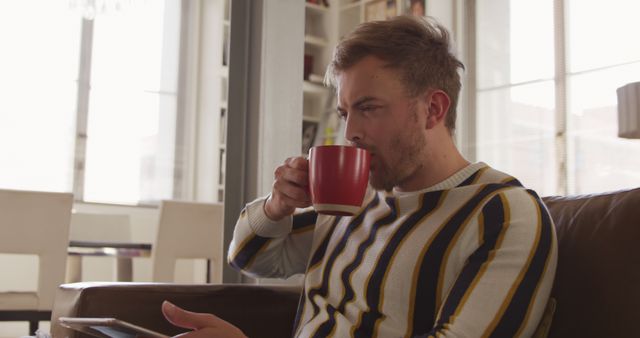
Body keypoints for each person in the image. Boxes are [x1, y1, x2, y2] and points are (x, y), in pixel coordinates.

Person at [164, 15, 558, 338]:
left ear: (433, 110)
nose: (350, 131)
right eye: (344, 112)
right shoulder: (355, 200)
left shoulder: (503, 214)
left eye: (368, 108)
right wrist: (277, 206)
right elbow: (250, 258)